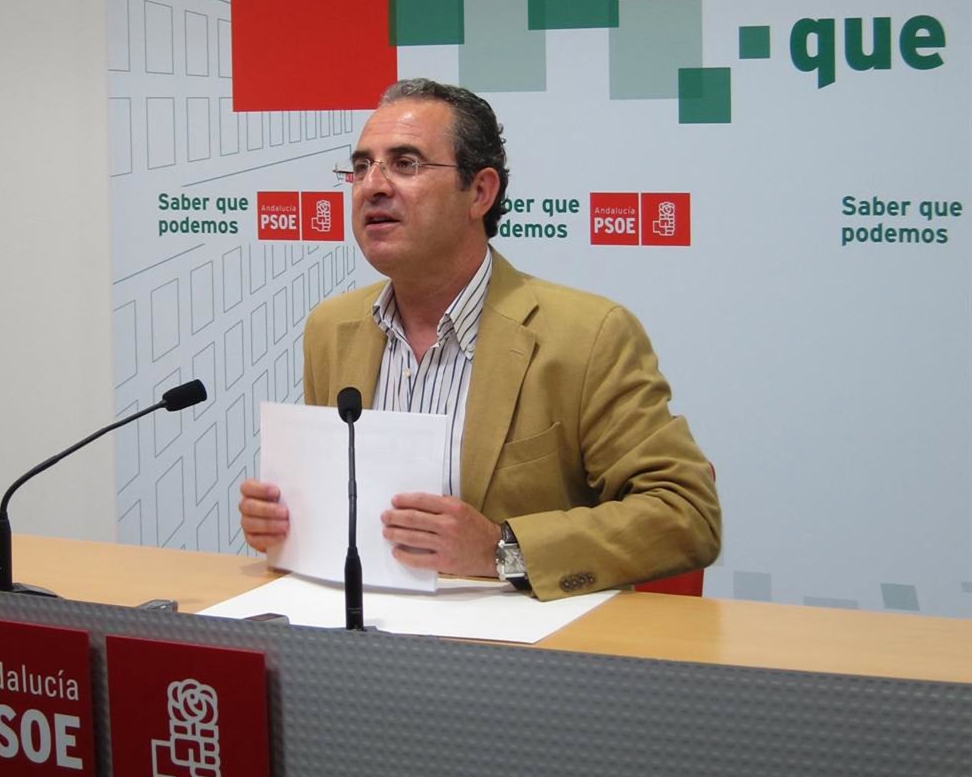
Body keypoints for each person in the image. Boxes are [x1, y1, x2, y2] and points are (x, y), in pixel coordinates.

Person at [238, 79, 720, 600]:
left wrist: (500, 549)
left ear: (480, 192)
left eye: (405, 164)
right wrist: (291, 523)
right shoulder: (332, 329)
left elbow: (685, 513)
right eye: (361, 167)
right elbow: (349, 512)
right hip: (366, 630)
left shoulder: (587, 336)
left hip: (520, 644)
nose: (372, 186)